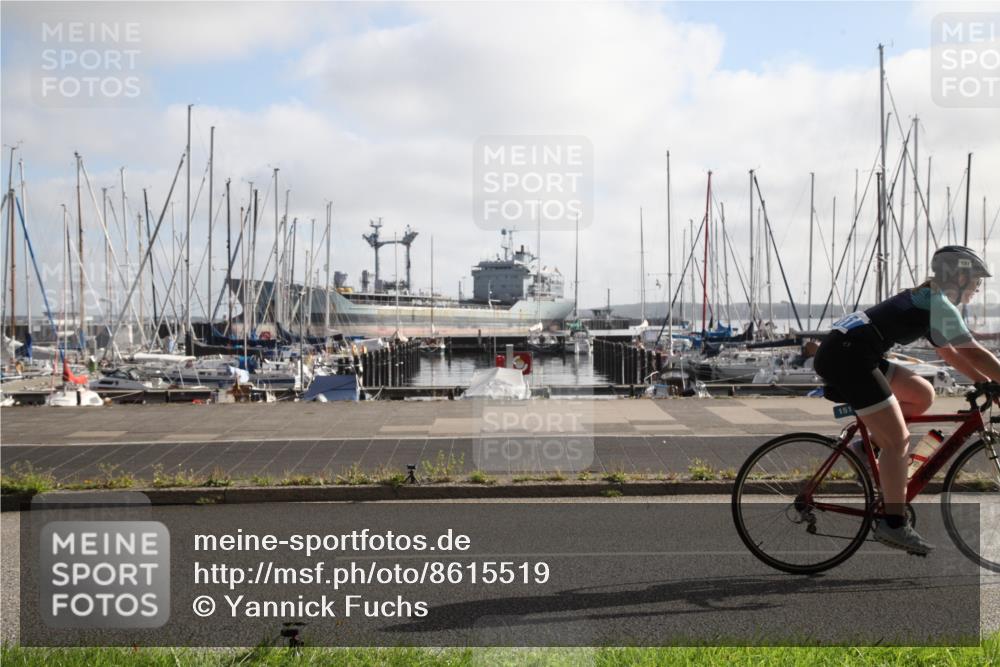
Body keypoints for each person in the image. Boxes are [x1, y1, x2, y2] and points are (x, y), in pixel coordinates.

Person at [813, 245, 1000, 554]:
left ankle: (866, 447)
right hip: (849, 358)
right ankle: (894, 523)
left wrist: (985, 382)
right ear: (959, 277)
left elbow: (950, 353)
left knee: (922, 394)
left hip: (854, 352)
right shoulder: (937, 302)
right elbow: (975, 353)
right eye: (976, 279)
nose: (979, 287)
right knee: (898, 440)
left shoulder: (929, 299)